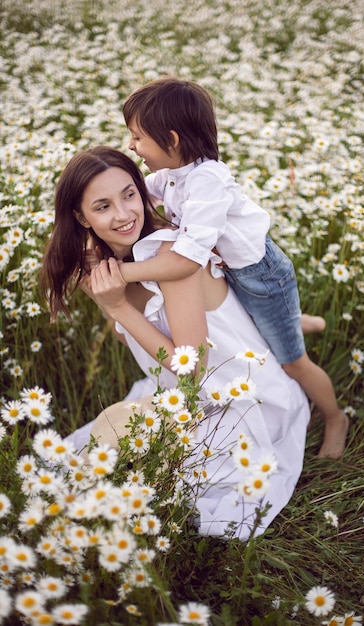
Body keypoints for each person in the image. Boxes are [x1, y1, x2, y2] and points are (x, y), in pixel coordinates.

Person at [40, 146, 310, 541]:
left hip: (234, 396)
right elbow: (138, 346)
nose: (123, 214)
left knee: (156, 485)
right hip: (177, 393)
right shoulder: (98, 266)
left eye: (129, 194)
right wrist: (108, 296)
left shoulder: (174, 256)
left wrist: (118, 306)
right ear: (81, 217)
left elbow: (193, 367)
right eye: (102, 206)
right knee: (98, 462)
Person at [116, 76, 348, 459]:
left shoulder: (207, 181)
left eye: (138, 137)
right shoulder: (174, 174)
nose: (131, 145)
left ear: (172, 141)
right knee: (265, 324)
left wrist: (121, 275)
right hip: (230, 271)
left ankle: (336, 417)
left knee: (293, 361)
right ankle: (297, 320)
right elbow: (137, 189)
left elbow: (185, 262)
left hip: (263, 279)